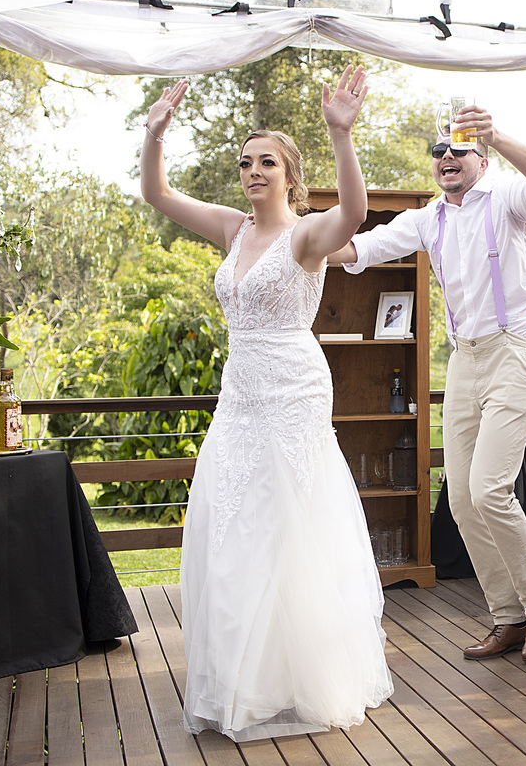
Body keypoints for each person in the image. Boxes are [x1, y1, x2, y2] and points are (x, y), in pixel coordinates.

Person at [140, 66, 393, 740]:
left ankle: (299, 673)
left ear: (289, 174)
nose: (253, 171)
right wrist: (155, 134)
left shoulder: (306, 236)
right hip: (241, 391)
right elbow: (157, 193)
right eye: (246, 162)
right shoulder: (230, 230)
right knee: (231, 526)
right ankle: (239, 682)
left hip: (293, 388)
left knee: (289, 527)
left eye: (267, 162)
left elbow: (356, 215)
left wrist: (342, 133)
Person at [329, 105, 526, 663]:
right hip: (465, 358)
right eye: (438, 152)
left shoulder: (508, 199)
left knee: (489, 489)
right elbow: (358, 250)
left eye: (458, 149)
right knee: (460, 498)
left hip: (516, 350)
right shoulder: (426, 218)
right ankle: (507, 616)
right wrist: (297, 242)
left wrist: (498, 132)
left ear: (481, 160)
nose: (446, 158)